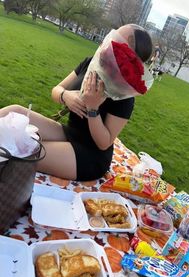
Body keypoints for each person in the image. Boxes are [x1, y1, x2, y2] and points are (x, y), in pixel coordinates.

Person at [0, 24, 153, 181]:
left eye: (117, 41)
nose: (109, 42)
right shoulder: (90, 63)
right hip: (70, 133)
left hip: (90, 155)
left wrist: (93, 108)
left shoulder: (124, 95)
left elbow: (104, 143)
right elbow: (56, 90)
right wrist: (65, 96)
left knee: (22, 150)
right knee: (13, 112)